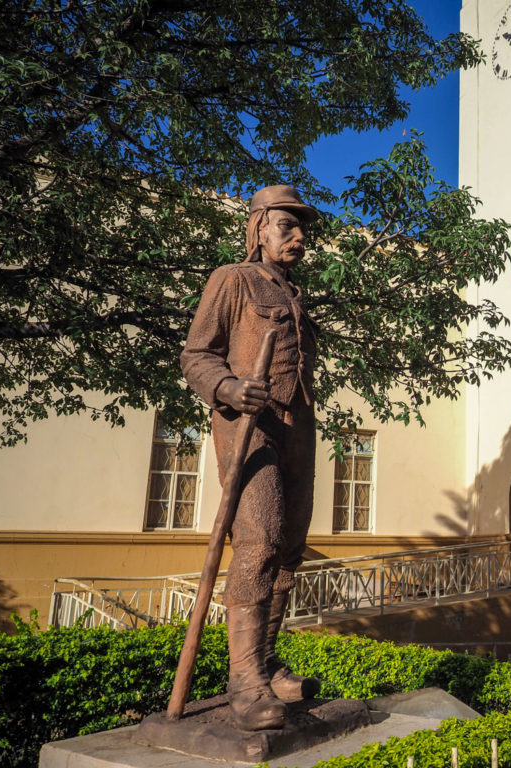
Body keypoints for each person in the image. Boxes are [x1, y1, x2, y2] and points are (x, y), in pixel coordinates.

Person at [181, 185, 321, 731]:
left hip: (298, 426)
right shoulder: (232, 280)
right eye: (287, 226)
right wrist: (229, 388)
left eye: (302, 229)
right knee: (259, 538)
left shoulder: (294, 294)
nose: (299, 237)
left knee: (289, 549)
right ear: (260, 226)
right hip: (248, 425)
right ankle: (243, 680)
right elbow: (197, 354)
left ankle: (264, 662)